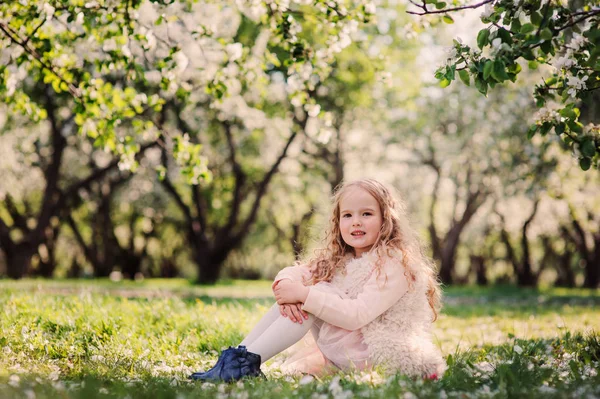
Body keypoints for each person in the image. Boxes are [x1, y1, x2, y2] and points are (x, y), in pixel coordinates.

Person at [189, 178, 446, 382]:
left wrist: (303, 295)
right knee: (306, 292)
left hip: (374, 351)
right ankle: (236, 359)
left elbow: (357, 315)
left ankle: (242, 364)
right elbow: (296, 272)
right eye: (347, 215)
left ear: (386, 220)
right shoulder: (339, 258)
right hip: (347, 347)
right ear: (338, 222)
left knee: (314, 294)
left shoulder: (395, 264)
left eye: (366, 214)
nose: (356, 222)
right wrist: (286, 288)